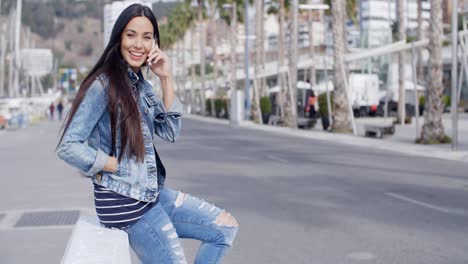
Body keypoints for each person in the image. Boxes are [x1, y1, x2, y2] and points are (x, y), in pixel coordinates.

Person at [56, 4, 238, 264]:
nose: (138, 44)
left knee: (224, 227)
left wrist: (165, 78)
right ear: (119, 37)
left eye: (147, 36)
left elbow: (171, 131)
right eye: (131, 35)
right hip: (125, 203)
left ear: (154, 42)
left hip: (147, 194)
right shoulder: (103, 84)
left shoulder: (140, 85)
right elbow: (69, 145)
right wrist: (109, 163)